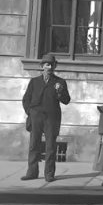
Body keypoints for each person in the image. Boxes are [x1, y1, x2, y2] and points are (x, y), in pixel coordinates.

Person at [21, 54, 71, 182]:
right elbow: (26, 99)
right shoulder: (34, 81)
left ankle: (49, 174)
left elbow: (66, 101)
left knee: (50, 147)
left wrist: (59, 92)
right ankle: (32, 172)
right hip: (36, 116)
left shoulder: (60, 82)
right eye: (47, 65)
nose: (49, 67)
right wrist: (30, 112)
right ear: (42, 66)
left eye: (52, 65)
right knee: (34, 145)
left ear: (55, 67)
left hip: (51, 118)